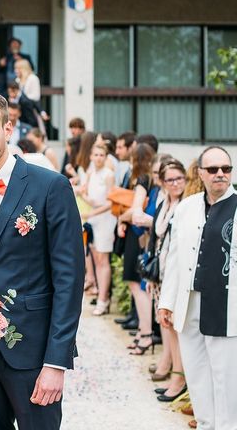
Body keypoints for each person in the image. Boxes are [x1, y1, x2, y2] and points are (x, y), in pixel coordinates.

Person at [0, 90, 84, 430]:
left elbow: (69, 279)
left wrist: (57, 361)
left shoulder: (51, 187)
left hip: (34, 353)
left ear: (8, 129)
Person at [159, 146, 237, 430]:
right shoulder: (186, 207)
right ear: (200, 173)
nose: (220, 174)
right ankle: (206, 424)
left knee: (225, 376)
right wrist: (166, 302)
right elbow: (175, 258)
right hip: (190, 302)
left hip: (227, 306)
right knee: (197, 371)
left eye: (226, 169)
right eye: (214, 169)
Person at [145, 159, 187, 399]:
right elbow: (155, 237)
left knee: (173, 324)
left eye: (179, 178)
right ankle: (168, 365)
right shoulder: (164, 203)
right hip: (160, 271)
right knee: (165, 324)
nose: (175, 183)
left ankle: (178, 378)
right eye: (170, 179)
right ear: (162, 182)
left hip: (177, 272)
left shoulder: (186, 205)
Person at [118, 143, 156, 355]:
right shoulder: (150, 178)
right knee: (139, 285)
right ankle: (144, 332)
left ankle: (146, 333)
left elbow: (135, 211)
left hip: (136, 235)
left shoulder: (141, 180)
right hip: (142, 235)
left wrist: (121, 218)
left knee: (137, 285)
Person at [77, 144, 116, 316]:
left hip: (105, 218)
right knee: (94, 257)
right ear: (91, 156)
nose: (99, 158)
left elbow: (110, 202)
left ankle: (103, 299)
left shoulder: (109, 175)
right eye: (96, 154)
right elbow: (85, 195)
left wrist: (92, 212)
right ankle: (100, 294)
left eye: (102, 155)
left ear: (106, 157)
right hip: (93, 218)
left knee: (102, 259)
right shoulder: (90, 173)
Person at [15, 59, 45, 131]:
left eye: (17, 68)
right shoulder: (17, 80)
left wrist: (21, 97)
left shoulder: (33, 78)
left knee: (32, 130)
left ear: (23, 69)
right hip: (20, 111)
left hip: (31, 111)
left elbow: (35, 96)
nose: (15, 71)